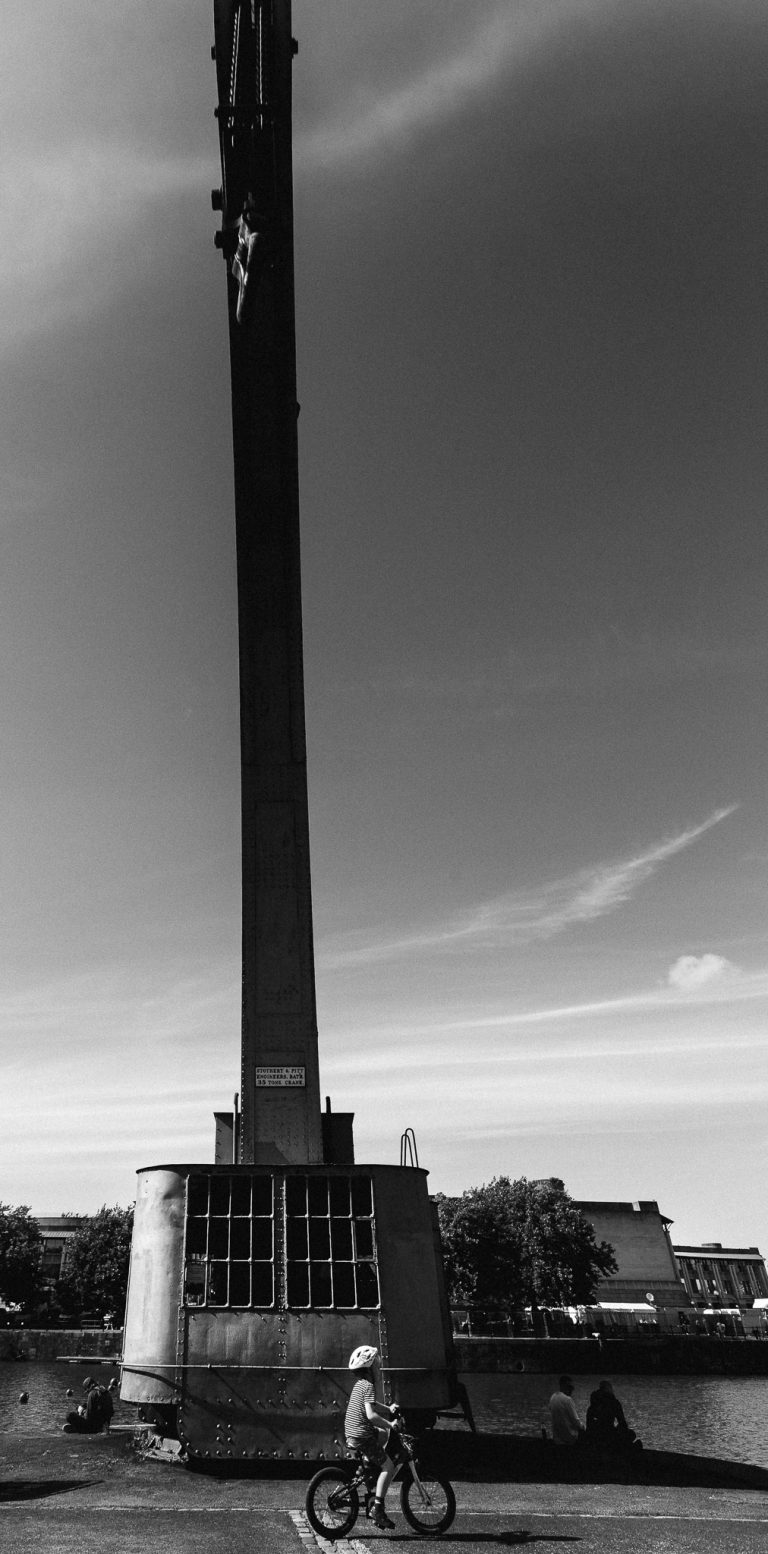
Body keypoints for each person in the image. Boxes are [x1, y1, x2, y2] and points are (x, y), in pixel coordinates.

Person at [344, 1345, 403, 1530]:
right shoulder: (368, 1385)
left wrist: (388, 1409)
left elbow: (371, 1404)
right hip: (362, 1435)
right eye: (376, 1364)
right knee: (389, 1466)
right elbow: (370, 1415)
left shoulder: (360, 1385)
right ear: (369, 1367)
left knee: (383, 1435)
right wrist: (391, 1423)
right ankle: (378, 1508)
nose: (378, 1367)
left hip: (353, 1432)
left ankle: (367, 1469)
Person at [585, 1379, 639, 1450]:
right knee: (631, 1434)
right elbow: (622, 1422)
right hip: (607, 1436)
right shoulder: (613, 1402)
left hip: (592, 1435)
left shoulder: (593, 1403)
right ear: (609, 1389)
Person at [548, 1375, 584, 1445]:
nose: (572, 1390)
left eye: (572, 1388)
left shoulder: (553, 1397)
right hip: (569, 1439)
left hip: (557, 1439)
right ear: (563, 1386)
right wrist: (583, 1426)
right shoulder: (568, 1400)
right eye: (570, 1387)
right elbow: (576, 1422)